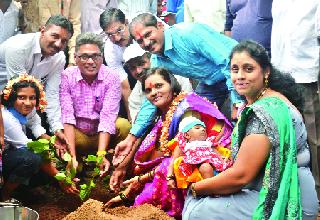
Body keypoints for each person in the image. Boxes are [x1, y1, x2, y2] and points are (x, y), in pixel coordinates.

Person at [182, 40, 318, 219]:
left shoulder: (266, 111)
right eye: (235, 69)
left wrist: (195, 187)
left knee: (197, 210)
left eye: (248, 69)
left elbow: (241, 176)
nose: (240, 76)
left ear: (266, 71)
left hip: (289, 199)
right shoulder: (267, 100)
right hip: (281, 189)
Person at [107, 67, 233, 218]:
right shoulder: (166, 112)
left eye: (159, 86)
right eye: (148, 90)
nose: (153, 93)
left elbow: (180, 156)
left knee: (169, 168)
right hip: (195, 158)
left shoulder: (187, 110)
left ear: (172, 85)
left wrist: (139, 181)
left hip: (216, 164)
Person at [59, 32, 131, 175]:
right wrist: (71, 157)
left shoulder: (111, 76)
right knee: (60, 136)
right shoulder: (67, 76)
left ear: (101, 57)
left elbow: (108, 116)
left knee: (124, 126)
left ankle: (111, 160)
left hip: (102, 134)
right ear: (75, 58)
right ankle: (76, 160)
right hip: (78, 135)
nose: (90, 62)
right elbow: (67, 117)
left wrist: (101, 154)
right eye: (84, 56)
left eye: (95, 56)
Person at [1, 74, 79, 202]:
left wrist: (53, 142)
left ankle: (23, 188)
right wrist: (60, 178)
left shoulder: (28, 110)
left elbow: (36, 126)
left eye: (32, 98)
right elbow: (30, 148)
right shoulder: (7, 118)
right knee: (32, 159)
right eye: (21, 97)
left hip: (12, 153)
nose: (28, 102)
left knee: (50, 153)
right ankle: (5, 193)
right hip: (3, 156)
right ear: (12, 98)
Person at [0, 14, 73, 148]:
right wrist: (42, 134)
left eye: (64, 41)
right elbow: (19, 93)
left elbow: (52, 94)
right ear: (42, 30)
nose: (58, 44)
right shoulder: (18, 47)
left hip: (24, 101)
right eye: (55, 36)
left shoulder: (59, 58)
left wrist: (56, 128)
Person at [271, 0, 320, 199]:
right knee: (285, 133)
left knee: (313, 136)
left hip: (306, 73)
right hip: (281, 74)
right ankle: (292, 191)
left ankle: (317, 192)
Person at [123, 42, 193, 122]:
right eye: (132, 68)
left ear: (151, 59)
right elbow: (137, 125)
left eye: (141, 63)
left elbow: (190, 103)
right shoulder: (134, 97)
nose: (138, 71)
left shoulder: (176, 76)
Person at [166, 116, 233, 190]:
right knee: (205, 167)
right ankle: (212, 190)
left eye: (204, 128)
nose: (202, 129)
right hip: (197, 172)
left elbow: (216, 153)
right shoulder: (184, 146)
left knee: (229, 169)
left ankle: (224, 186)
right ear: (187, 135)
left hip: (216, 168)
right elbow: (174, 161)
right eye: (197, 128)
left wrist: (222, 158)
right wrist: (169, 177)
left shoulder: (208, 143)